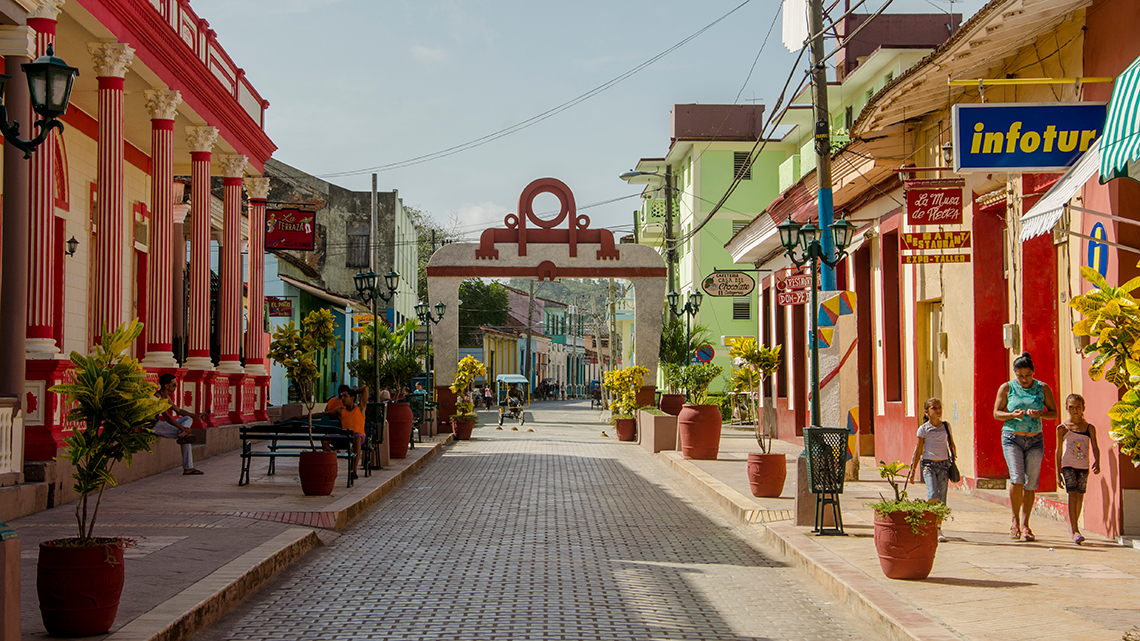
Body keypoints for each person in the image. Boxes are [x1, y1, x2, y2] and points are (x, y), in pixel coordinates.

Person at [993, 352, 1057, 542]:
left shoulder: (1042, 388)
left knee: (1031, 483)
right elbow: (997, 413)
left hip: (1035, 440)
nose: (1024, 379)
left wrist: (1040, 415)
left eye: (1028, 375)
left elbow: (1053, 413)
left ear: (1033, 372)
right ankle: (1014, 521)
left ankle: (1026, 523)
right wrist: (1012, 415)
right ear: (1015, 373)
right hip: (1012, 438)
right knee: (1017, 478)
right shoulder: (1007, 388)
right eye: (1020, 376)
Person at [908, 398, 957, 542]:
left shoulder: (946, 426)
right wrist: (912, 470)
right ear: (927, 411)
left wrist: (953, 454)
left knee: (942, 499)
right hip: (928, 465)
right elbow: (918, 450)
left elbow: (951, 443)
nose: (938, 411)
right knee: (932, 494)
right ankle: (928, 523)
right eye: (934, 408)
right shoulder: (923, 429)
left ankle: (938, 528)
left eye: (939, 407)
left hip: (943, 466)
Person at [1056, 394, 1101, 545]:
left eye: (1078, 407)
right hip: (1068, 465)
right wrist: (1058, 472)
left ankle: (1073, 526)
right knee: (1072, 495)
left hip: (1083, 466)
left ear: (1083, 408)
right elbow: (1058, 450)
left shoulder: (1089, 428)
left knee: (1080, 495)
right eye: (1071, 407)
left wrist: (1097, 461)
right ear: (1066, 408)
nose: (1074, 410)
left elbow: (1095, 445)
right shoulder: (1063, 428)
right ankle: (1075, 529)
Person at [154, 373, 205, 475]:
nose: (176, 387)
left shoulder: (166, 397)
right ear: (166, 386)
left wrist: (196, 416)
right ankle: (188, 467)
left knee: (187, 418)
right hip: (154, 425)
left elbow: (179, 411)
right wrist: (183, 428)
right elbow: (167, 417)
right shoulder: (157, 396)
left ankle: (184, 433)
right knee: (186, 437)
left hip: (162, 424)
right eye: (174, 385)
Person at [317, 386, 368, 480]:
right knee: (325, 439)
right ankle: (332, 463)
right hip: (345, 436)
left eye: (345, 396)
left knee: (357, 438)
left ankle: (354, 470)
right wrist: (303, 416)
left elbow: (365, 389)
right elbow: (323, 413)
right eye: (342, 396)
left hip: (359, 436)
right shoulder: (340, 410)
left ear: (352, 398)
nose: (342, 399)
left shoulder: (360, 408)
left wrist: (353, 391)